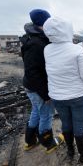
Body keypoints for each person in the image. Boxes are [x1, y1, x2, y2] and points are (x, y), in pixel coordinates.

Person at [43, 17, 83, 163]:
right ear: (68, 31)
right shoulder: (78, 51)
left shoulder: (47, 49)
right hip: (78, 95)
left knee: (66, 123)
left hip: (57, 96)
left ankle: (70, 150)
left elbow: (63, 50)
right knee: (79, 124)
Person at [20, 9, 64, 154]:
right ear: (44, 23)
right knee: (46, 114)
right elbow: (33, 72)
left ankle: (30, 141)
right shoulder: (36, 43)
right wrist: (45, 95)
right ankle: (48, 142)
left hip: (31, 87)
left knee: (36, 112)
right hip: (38, 88)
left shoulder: (32, 37)